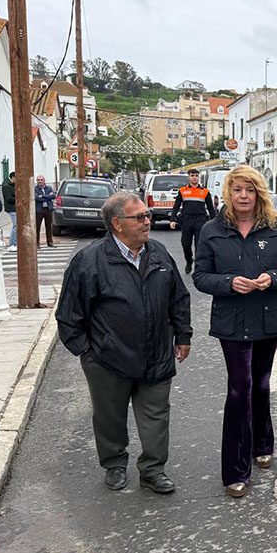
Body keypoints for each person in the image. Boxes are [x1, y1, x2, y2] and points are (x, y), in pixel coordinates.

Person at [55, 191, 192, 494]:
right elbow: (68, 314)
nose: (148, 221)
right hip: (108, 360)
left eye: (147, 215)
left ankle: (153, 470)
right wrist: (88, 353)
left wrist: (183, 335)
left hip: (156, 354)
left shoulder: (158, 253)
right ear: (117, 223)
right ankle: (114, 464)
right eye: (140, 217)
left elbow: (178, 298)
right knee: (110, 418)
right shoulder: (90, 261)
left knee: (156, 416)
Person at [193, 165, 277, 498]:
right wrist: (228, 282)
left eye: (250, 190)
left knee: (261, 381)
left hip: (270, 317)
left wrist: (274, 277)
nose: (243, 196)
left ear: (259, 194)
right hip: (231, 320)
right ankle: (235, 470)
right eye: (237, 190)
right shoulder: (211, 230)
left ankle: (262, 443)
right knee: (239, 388)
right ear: (228, 193)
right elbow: (201, 276)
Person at [170, 168, 216, 275]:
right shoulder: (182, 191)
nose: (194, 177)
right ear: (189, 177)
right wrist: (172, 219)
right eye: (192, 175)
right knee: (186, 244)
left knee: (199, 245)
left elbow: (210, 208)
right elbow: (176, 206)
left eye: (196, 175)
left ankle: (198, 267)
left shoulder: (204, 191)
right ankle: (189, 260)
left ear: (198, 177)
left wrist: (215, 222)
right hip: (186, 220)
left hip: (200, 220)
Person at [35, 175, 56, 247]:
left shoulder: (49, 188)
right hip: (39, 210)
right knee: (37, 227)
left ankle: (50, 242)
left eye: (41, 180)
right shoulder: (35, 189)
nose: (40, 181)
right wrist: (47, 197)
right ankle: (37, 243)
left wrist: (42, 196)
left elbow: (53, 196)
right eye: (38, 180)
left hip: (48, 209)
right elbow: (36, 198)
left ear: (44, 181)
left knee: (49, 227)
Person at [2, 171, 17, 251]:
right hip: (12, 208)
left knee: (17, 226)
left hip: (16, 208)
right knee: (15, 226)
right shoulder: (6, 186)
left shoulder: (13, 185)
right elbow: (9, 199)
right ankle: (12, 244)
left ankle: (15, 243)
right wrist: (18, 196)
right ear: (13, 177)